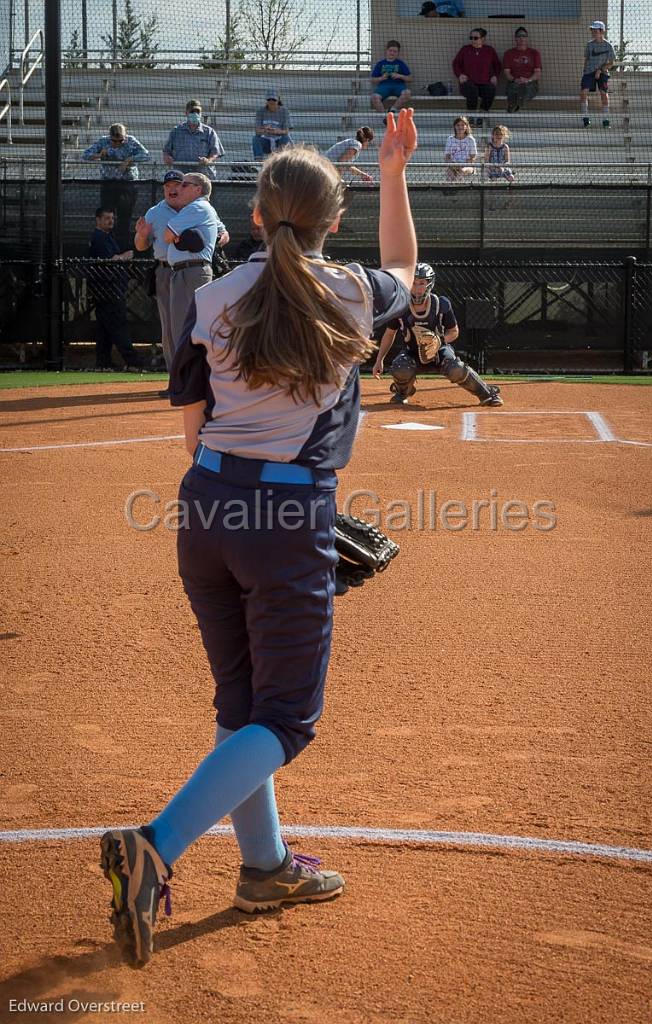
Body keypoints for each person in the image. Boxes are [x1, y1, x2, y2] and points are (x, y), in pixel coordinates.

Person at [98, 110, 418, 968]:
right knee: (284, 719)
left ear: (251, 215)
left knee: (240, 709)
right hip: (286, 516)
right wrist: (392, 172)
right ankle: (155, 846)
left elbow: (193, 432)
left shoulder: (210, 296)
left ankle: (265, 867)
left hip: (205, 509)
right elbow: (406, 270)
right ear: (332, 221)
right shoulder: (349, 289)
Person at [134, 171, 229, 391]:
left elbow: (224, 234)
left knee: (186, 326)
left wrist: (210, 240)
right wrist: (142, 235)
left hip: (190, 270)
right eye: (167, 186)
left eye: (179, 184)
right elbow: (141, 245)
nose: (173, 189)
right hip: (165, 270)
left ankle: (190, 381)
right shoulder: (155, 212)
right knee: (170, 328)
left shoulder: (196, 208)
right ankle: (177, 378)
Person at [373, 262, 503, 407]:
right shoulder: (401, 306)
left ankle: (487, 394)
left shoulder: (441, 304)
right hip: (413, 352)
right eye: (413, 283)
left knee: (456, 368)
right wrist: (379, 360)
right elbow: (389, 333)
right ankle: (402, 392)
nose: (417, 288)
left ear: (429, 284)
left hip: (439, 351)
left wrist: (439, 341)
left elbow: (454, 331)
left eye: (421, 283)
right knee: (400, 367)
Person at [162, 173, 227, 353]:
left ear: (198, 189)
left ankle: (187, 378)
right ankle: (193, 376)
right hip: (192, 271)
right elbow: (224, 236)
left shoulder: (196, 207)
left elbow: (167, 235)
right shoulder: (205, 208)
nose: (179, 188)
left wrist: (177, 237)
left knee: (183, 328)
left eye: (184, 185)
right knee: (192, 327)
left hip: (190, 272)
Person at [87, 207, 142, 371]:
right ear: (98, 219)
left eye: (112, 218)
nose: (111, 221)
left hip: (109, 290)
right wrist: (126, 256)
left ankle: (102, 362)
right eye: (106, 218)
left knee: (104, 328)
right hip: (108, 291)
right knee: (118, 325)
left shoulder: (107, 237)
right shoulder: (99, 238)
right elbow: (110, 260)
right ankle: (132, 362)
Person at [82, 123, 151, 249]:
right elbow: (85, 155)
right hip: (108, 184)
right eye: (114, 141)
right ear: (110, 137)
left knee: (124, 218)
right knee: (107, 217)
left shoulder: (131, 142)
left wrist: (129, 160)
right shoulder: (103, 142)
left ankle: (123, 247)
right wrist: (99, 155)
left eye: (121, 140)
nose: (118, 143)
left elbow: (146, 155)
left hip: (127, 185)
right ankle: (107, 247)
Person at [163, 100, 225, 177]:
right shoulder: (176, 131)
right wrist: (167, 157)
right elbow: (166, 151)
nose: (195, 114)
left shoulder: (209, 132)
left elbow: (215, 152)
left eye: (197, 112)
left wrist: (208, 160)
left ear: (201, 114)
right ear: (186, 113)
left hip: (203, 177)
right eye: (192, 111)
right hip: (182, 177)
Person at [452, 28, 501, 126]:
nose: (473, 40)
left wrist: (495, 76)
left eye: (476, 38)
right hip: (469, 83)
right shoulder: (465, 50)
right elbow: (455, 64)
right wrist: (460, 75)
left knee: (490, 89)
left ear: (483, 39)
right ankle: (471, 117)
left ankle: (481, 117)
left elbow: (497, 65)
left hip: (484, 82)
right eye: (471, 38)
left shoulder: (489, 50)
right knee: (472, 90)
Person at [580, 20, 616, 127]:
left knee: (604, 94)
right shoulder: (589, 45)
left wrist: (601, 70)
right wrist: (585, 71)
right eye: (593, 31)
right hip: (589, 72)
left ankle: (606, 121)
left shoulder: (608, 46)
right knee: (583, 93)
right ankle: (585, 119)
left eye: (596, 31)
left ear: (602, 32)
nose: (594, 33)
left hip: (603, 73)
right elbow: (587, 59)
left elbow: (611, 63)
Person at [503, 27, 542, 113]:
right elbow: (506, 73)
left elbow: (538, 73)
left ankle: (514, 107)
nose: (521, 38)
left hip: (530, 84)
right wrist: (515, 79)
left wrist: (528, 80)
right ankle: (515, 107)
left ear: (527, 38)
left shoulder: (534, 53)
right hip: (514, 83)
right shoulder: (508, 53)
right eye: (519, 36)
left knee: (524, 88)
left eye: (524, 36)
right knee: (515, 87)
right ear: (515, 38)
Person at [370, 41, 413, 115]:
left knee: (407, 93)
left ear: (398, 53)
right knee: (374, 97)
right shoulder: (380, 64)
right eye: (390, 51)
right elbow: (372, 79)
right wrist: (381, 78)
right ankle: (385, 117)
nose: (392, 53)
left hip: (399, 86)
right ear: (386, 51)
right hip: (384, 86)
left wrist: (399, 76)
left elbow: (410, 78)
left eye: (395, 51)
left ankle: (392, 110)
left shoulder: (401, 63)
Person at [252, 93, 293, 160]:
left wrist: (276, 131)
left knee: (285, 138)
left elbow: (286, 131)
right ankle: (258, 161)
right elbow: (257, 131)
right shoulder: (260, 111)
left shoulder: (284, 111)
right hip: (266, 140)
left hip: (279, 141)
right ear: (266, 101)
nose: (271, 101)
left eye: (274, 99)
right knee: (255, 138)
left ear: (278, 101)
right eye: (269, 99)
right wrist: (265, 130)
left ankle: (282, 160)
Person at [444, 116, 477, 181]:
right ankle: (451, 189)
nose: (460, 127)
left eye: (462, 125)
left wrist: (463, 165)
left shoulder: (470, 139)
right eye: (458, 125)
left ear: (466, 126)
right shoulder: (450, 139)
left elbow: (473, 157)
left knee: (461, 171)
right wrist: (453, 164)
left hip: (467, 166)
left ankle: (458, 188)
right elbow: (447, 156)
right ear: (455, 126)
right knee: (450, 174)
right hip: (453, 165)